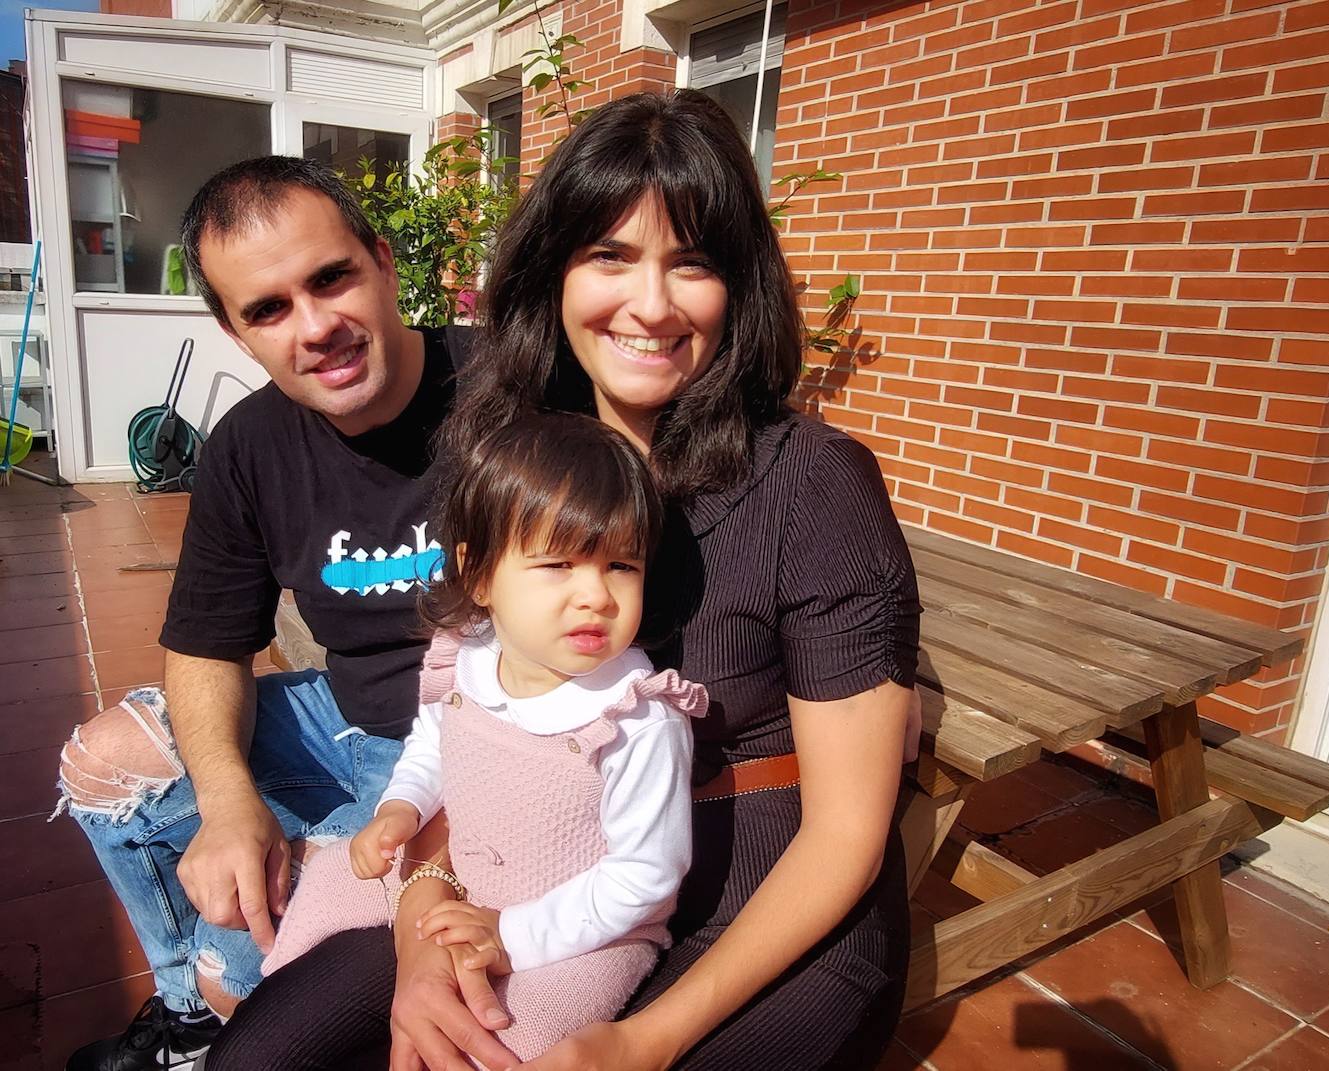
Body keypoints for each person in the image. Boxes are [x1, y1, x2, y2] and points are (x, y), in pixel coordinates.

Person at [212, 89, 922, 1071]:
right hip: (526, 878)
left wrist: (638, 1042)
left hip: (760, 908)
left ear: (739, 287)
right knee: (265, 1055)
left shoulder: (811, 486)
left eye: (695, 263)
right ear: (554, 272)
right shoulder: (511, 455)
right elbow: (475, 717)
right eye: (610, 256)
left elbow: (847, 834)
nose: (652, 303)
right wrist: (428, 912)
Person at [52, 156, 519, 1071]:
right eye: (267, 309)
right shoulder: (250, 444)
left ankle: (229, 987)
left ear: (382, 263)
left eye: (331, 277)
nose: (316, 328)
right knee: (106, 763)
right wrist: (227, 804)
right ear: (236, 331)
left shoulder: (508, 390)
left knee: (255, 949)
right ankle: (190, 1015)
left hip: (481, 743)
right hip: (346, 715)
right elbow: (204, 645)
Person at [257, 412, 707, 1061]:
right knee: (324, 885)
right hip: (454, 875)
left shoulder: (636, 716)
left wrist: (513, 936)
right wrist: (400, 806)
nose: (596, 595)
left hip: (582, 937)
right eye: (557, 563)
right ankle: (273, 988)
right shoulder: (466, 658)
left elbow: (645, 876)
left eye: (621, 565)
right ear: (479, 575)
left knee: (497, 1044)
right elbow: (434, 741)